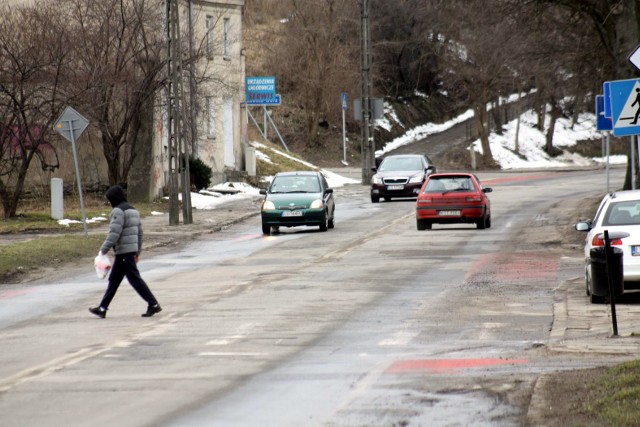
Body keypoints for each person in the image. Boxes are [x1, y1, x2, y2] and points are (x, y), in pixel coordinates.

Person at [89, 185, 162, 319]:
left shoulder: (118, 211)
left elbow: (114, 233)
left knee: (135, 280)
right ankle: (102, 308)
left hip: (124, 252)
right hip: (129, 251)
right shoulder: (133, 210)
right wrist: (137, 252)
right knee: (114, 280)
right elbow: (140, 233)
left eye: (109, 200)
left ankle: (153, 304)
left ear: (114, 199)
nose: (109, 202)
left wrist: (103, 250)